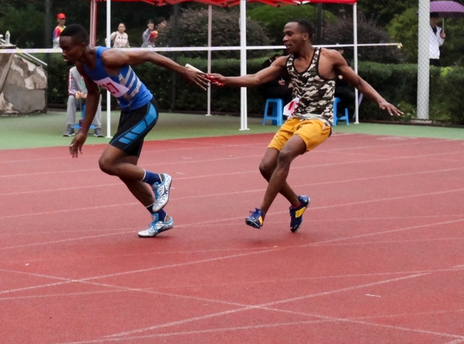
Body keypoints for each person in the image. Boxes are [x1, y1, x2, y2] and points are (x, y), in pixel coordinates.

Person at [207, 19, 402, 233]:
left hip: (319, 120)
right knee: (265, 167)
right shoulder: (284, 62)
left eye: (289, 34)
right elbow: (255, 79)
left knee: (285, 155)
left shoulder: (329, 57)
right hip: (295, 119)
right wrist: (225, 79)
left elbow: (358, 82)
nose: (285, 39)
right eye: (284, 34)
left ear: (304, 36)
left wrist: (380, 100)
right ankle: (297, 203)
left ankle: (260, 212)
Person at [59, 24, 208, 238]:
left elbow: (148, 54)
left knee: (107, 163)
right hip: (129, 113)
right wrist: (83, 131)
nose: (63, 53)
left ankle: (159, 179)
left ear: (82, 45)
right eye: (62, 48)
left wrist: (183, 71)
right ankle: (161, 218)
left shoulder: (109, 57)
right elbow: (93, 94)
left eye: (66, 48)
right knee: (125, 171)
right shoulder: (82, 66)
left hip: (145, 109)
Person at [64, 66, 103, 138]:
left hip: (91, 95)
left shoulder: (93, 69)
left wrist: (87, 95)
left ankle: (98, 127)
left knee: (97, 98)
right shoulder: (72, 70)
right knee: (71, 98)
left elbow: (97, 88)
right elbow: (71, 89)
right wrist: (76, 93)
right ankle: (70, 127)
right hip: (78, 96)